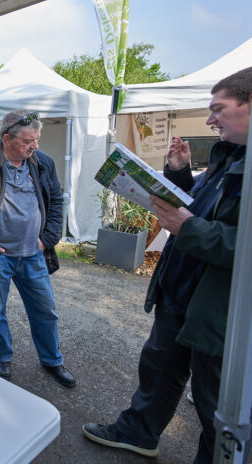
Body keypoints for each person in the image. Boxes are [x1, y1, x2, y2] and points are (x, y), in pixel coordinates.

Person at [83, 67, 251, 462]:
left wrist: (188, 229)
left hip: (217, 312)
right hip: (180, 292)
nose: (210, 120)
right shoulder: (230, 156)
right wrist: (178, 174)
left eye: (218, 109)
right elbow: (207, 212)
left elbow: (238, 244)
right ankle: (138, 432)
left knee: (214, 408)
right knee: (159, 369)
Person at [0, 110, 75, 388]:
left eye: (37, 139)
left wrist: (49, 238)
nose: (35, 146)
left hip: (34, 254)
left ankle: (52, 360)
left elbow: (56, 199)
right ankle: (3, 356)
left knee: (45, 310)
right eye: (29, 141)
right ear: (7, 138)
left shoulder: (42, 162)